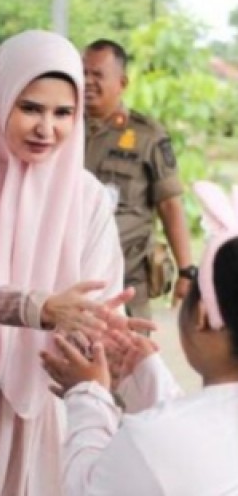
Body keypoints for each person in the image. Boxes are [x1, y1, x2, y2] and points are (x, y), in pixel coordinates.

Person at [0, 29, 153, 496]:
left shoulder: (87, 197)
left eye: (63, 113)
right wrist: (42, 307)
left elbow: (97, 299)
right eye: (30, 108)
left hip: (45, 386)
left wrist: (104, 334)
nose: (46, 128)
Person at [42, 180, 238, 496]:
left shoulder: (151, 440)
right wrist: (146, 378)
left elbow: (85, 488)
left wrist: (88, 396)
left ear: (201, 315)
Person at [84, 39, 195, 320]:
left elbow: (170, 205)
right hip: (73, 280)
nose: (87, 81)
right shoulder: (63, 128)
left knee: (130, 348)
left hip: (128, 282)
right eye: (83, 72)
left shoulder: (147, 136)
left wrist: (186, 271)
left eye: (97, 74)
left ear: (122, 83)